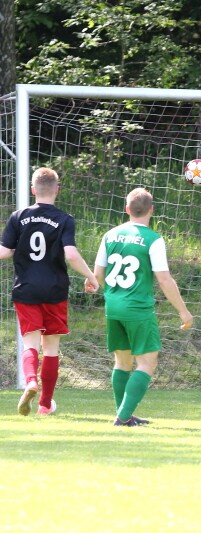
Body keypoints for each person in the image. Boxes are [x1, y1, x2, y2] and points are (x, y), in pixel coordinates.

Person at [0, 167, 99, 416]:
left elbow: (5, 251)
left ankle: (30, 381)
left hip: (26, 290)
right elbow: (71, 255)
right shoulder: (64, 219)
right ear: (57, 190)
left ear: (33, 190)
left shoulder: (18, 217)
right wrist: (91, 276)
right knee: (51, 348)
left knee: (30, 343)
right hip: (55, 290)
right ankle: (45, 405)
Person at [93, 188, 193, 426]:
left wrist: (111, 293)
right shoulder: (153, 239)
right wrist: (183, 311)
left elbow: (97, 275)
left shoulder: (110, 235)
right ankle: (123, 417)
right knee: (148, 363)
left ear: (127, 209)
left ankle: (123, 414)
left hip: (113, 306)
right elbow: (164, 279)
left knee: (122, 362)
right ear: (152, 210)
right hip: (137, 308)